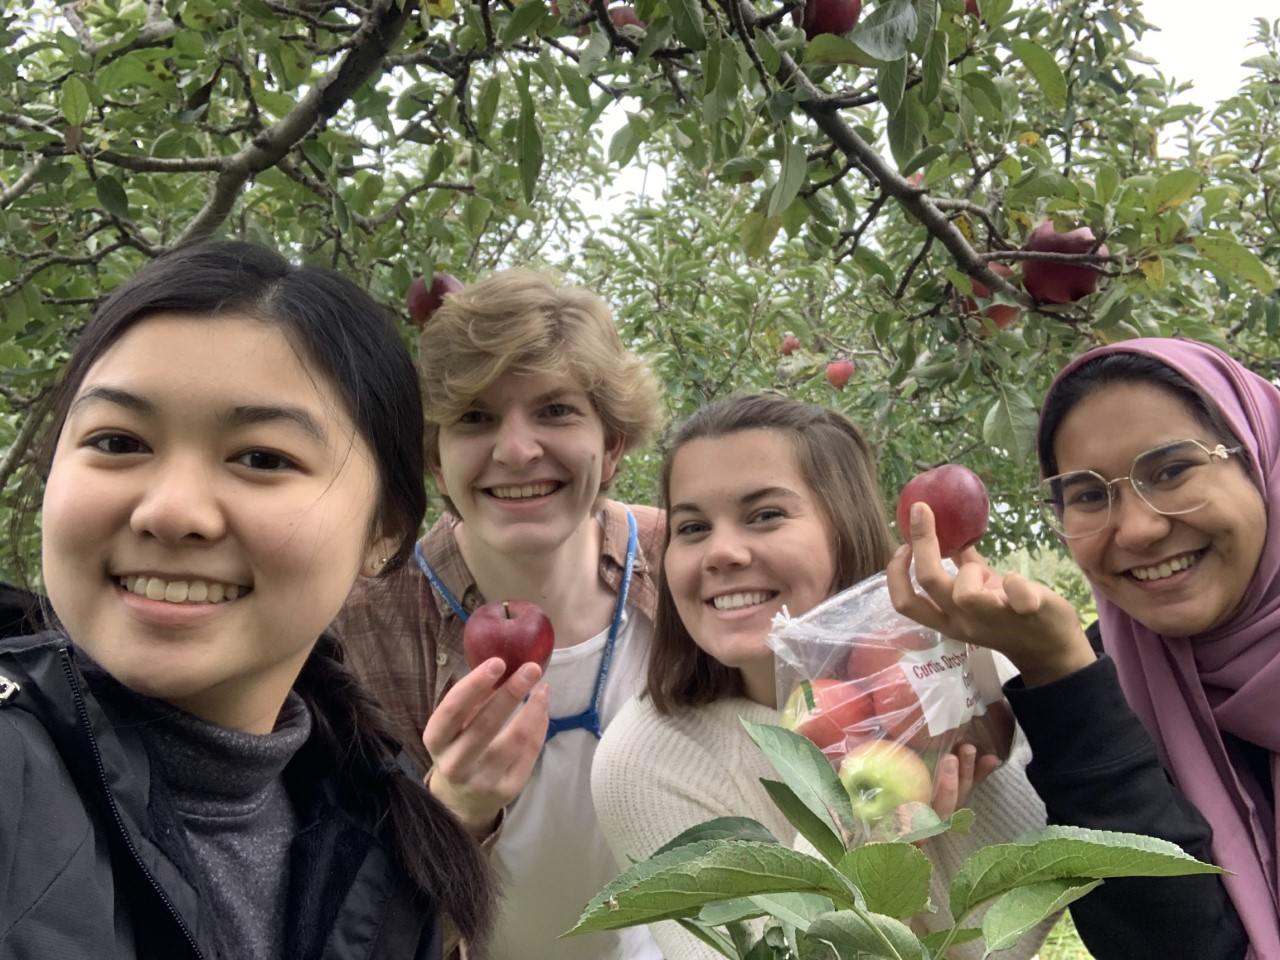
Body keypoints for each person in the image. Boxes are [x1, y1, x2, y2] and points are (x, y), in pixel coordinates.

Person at [0, 241, 496, 960]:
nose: (171, 512)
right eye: (117, 441)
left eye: (261, 458)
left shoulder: (389, 847)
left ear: (384, 530)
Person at [591, 393, 1054, 960]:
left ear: (846, 527)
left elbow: (1021, 919)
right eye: (692, 527)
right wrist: (865, 838)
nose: (721, 552)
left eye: (765, 515)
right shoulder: (648, 759)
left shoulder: (965, 683)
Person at [887, 337, 1278, 959]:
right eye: (1090, 495)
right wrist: (1058, 672)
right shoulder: (1106, 672)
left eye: (1172, 470)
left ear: (1261, 460)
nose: (1139, 528)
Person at [331, 268, 666, 960]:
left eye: (556, 410)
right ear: (435, 455)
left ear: (612, 445)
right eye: (476, 417)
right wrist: (451, 810)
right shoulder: (363, 624)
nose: (516, 451)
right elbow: (348, 911)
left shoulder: (687, 570)